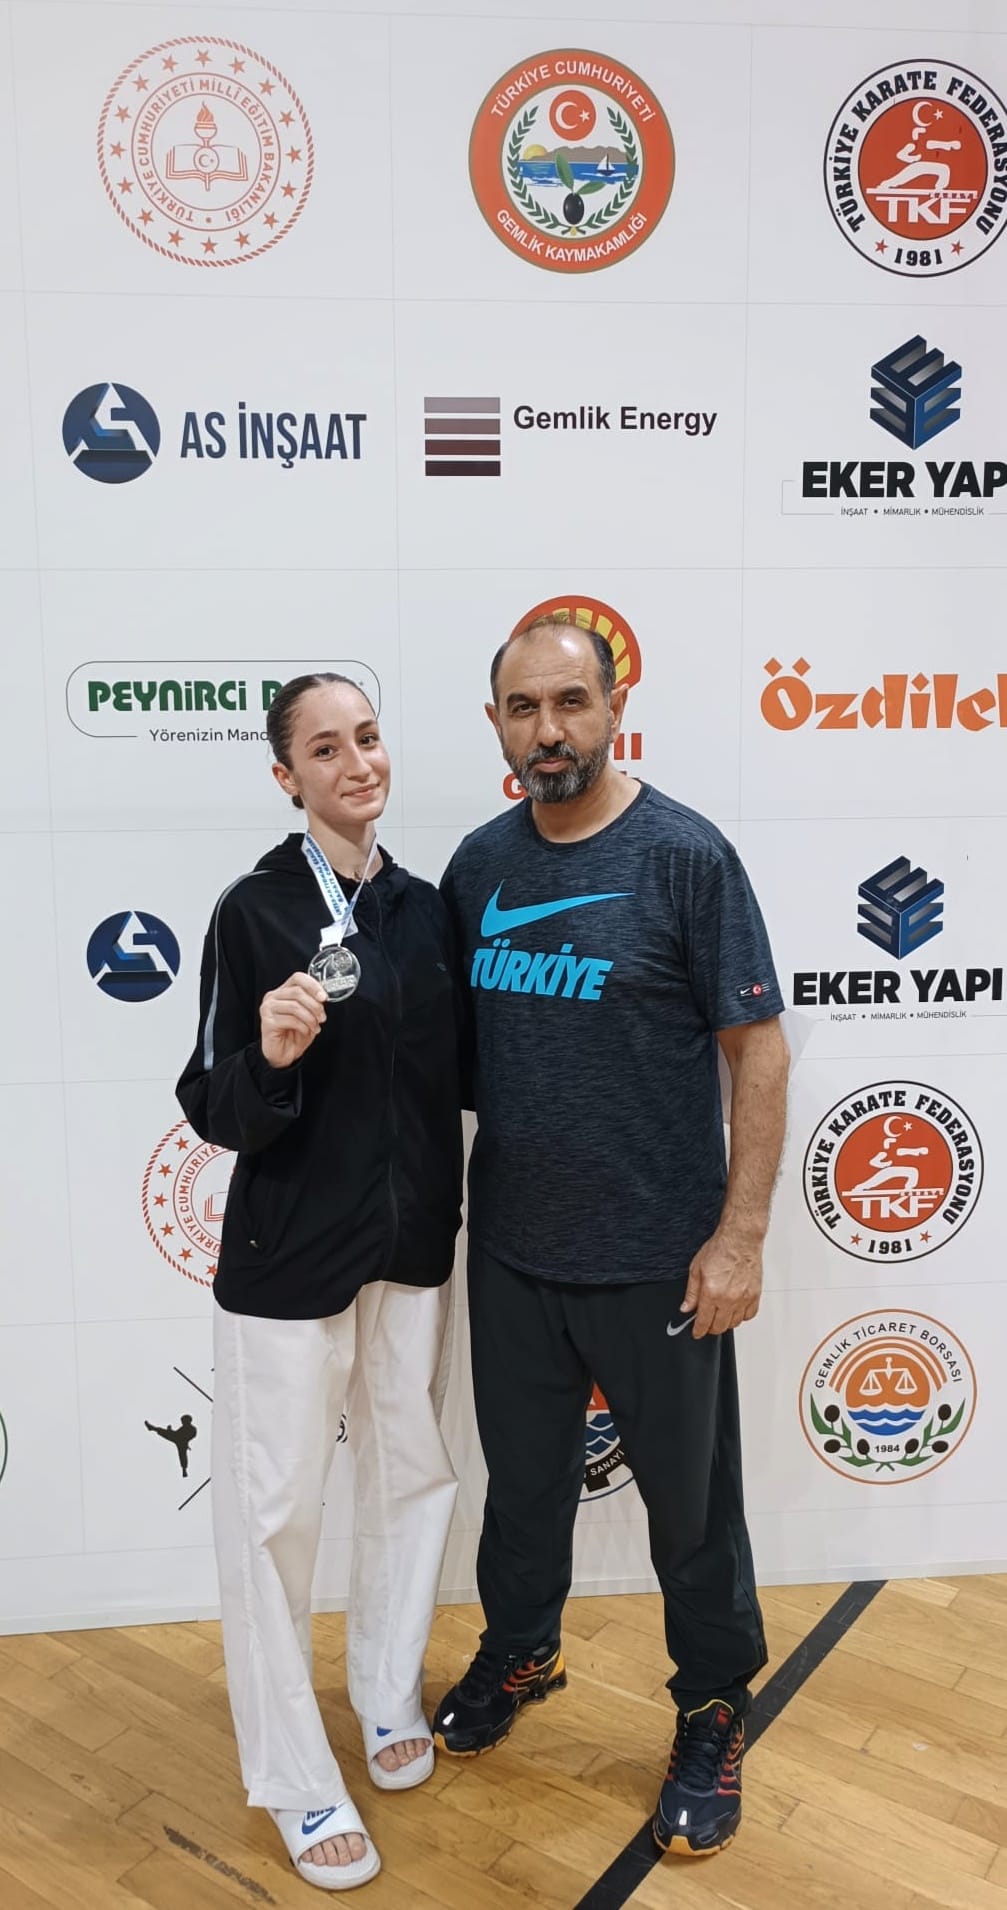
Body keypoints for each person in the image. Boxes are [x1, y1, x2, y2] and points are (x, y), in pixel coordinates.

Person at [433, 616, 788, 1861]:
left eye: (569, 702)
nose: (548, 730)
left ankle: (712, 1701)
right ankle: (522, 1649)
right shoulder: (477, 866)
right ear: (496, 724)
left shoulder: (684, 855)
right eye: (523, 707)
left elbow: (757, 1052)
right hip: (513, 1249)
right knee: (521, 1486)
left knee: (691, 1509)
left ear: (612, 707)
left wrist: (739, 1236)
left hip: (657, 1259)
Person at [177, 672, 463, 1893]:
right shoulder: (254, 909)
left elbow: (455, 1079)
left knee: (411, 1476)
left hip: (410, 1248)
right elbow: (212, 1101)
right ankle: (296, 1774)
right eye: (327, 747)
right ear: (285, 775)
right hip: (289, 1257)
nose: (358, 762)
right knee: (275, 1516)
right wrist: (273, 1054)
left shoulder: (425, 908)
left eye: (369, 737)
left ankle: (387, 1689)